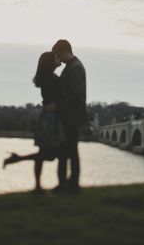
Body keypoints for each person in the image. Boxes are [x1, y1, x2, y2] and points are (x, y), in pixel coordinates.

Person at [2, 51, 65, 193]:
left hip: (46, 118)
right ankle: (18, 160)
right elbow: (55, 101)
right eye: (56, 57)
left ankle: (36, 185)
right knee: (49, 154)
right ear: (51, 62)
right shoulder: (52, 79)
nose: (58, 58)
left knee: (44, 153)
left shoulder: (47, 78)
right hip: (50, 119)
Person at [49, 39, 87, 193]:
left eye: (58, 55)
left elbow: (76, 96)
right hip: (69, 116)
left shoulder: (75, 68)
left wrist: (56, 106)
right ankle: (65, 184)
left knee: (71, 152)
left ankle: (72, 185)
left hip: (72, 117)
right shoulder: (71, 66)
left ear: (65, 51)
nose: (58, 58)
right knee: (65, 152)